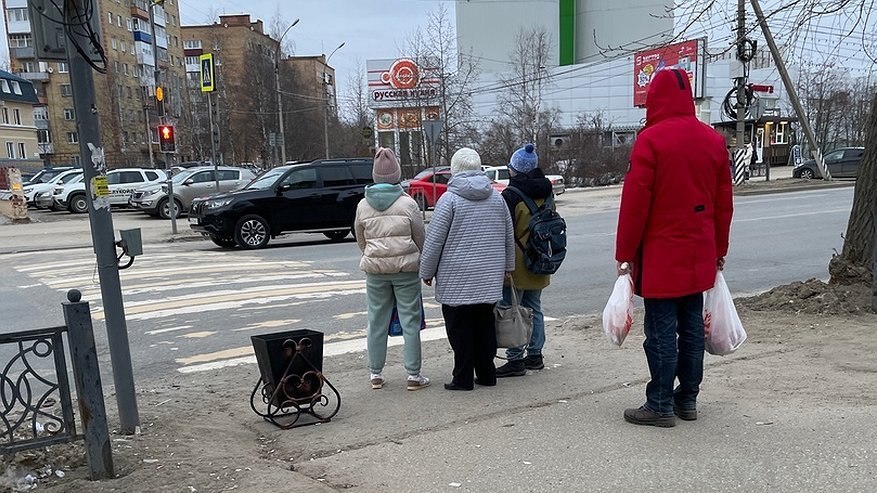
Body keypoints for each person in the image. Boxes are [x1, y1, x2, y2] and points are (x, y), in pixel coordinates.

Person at [615, 68, 733, 427]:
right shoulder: (712, 140)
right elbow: (723, 204)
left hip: (662, 253)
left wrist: (625, 256)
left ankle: (660, 403)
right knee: (692, 328)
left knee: (662, 331)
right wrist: (719, 250)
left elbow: (635, 206)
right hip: (699, 252)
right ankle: (688, 399)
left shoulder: (651, 141)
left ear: (654, 99)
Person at [419, 147, 515, 391]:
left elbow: (435, 240)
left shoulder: (449, 200)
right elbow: (507, 235)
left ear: (454, 170)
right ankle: (487, 374)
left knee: (459, 330)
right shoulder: (497, 198)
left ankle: (462, 378)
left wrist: (426, 271)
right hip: (488, 276)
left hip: (456, 277)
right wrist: (508, 267)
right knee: (485, 326)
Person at [354, 148, 430, 391]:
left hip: (376, 270)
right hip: (406, 270)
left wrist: (372, 254)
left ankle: (375, 373)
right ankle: (413, 375)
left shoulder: (363, 205)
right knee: (410, 320)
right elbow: (421, 237)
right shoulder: (408, 204)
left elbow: (360, 238)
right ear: (397, 174)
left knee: (376, 320)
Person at [495, 143, 554, 378]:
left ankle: (515, 358)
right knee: (535, 308)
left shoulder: (511, 195)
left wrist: (502, 266)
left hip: (517, 263)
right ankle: (535, 355)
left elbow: (504, 232)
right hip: (541, 258)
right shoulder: (547, 191)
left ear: (516, 170)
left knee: (513, 310)